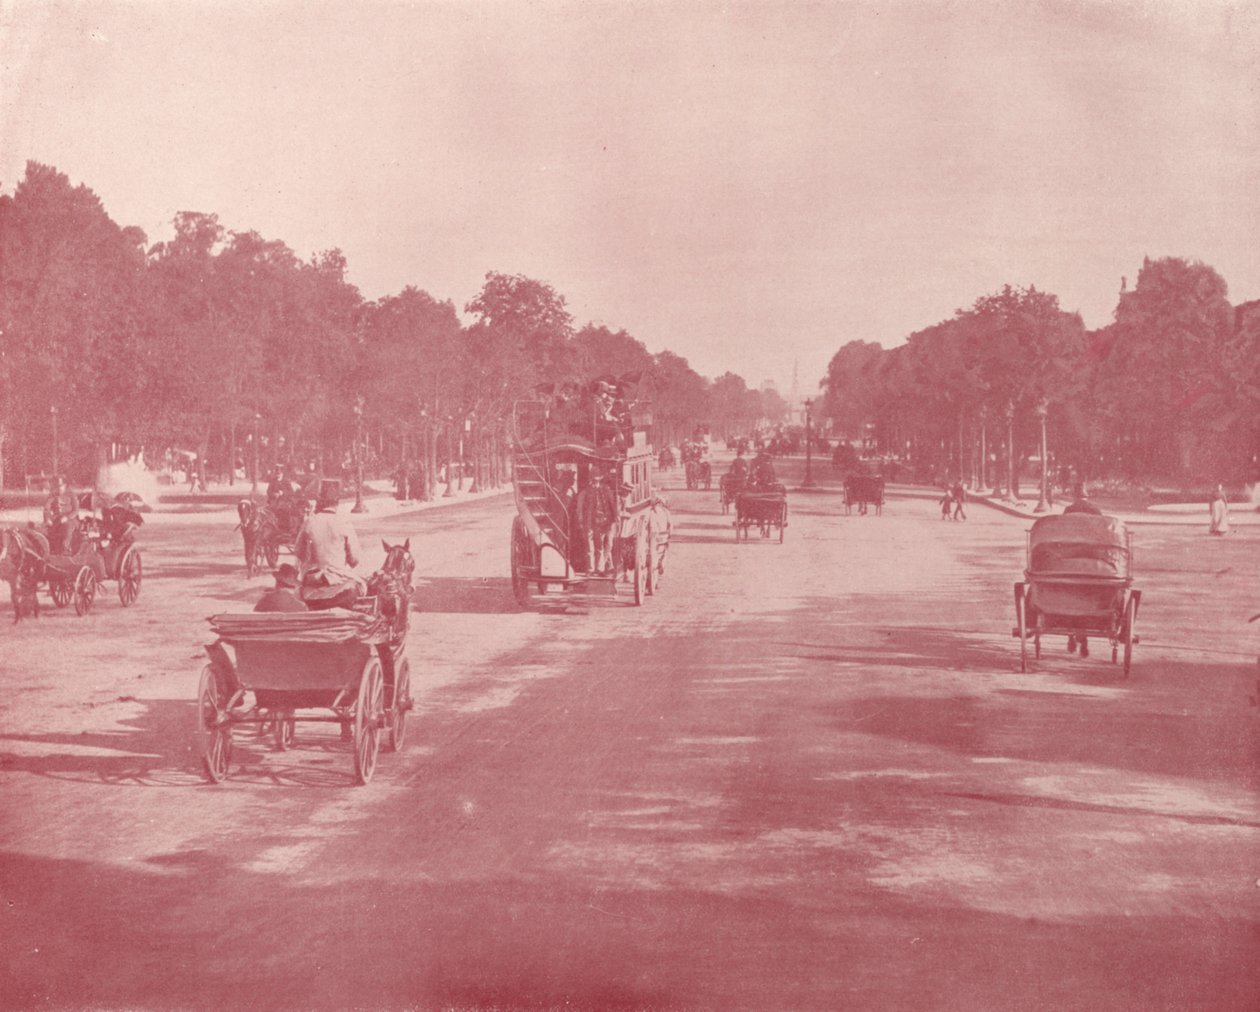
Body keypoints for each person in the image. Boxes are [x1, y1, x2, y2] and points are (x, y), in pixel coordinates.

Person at [295, 480, 366, 607]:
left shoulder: (309, 522)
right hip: (338, 583)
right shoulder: (344, 523)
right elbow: (354, 560)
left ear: (320, 501)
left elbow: (299, 553)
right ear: (337, 502)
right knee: (364, 586)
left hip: (312, 582)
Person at [574, 470, 618, 575]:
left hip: (602, 522)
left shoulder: (606, 490)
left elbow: (612, 504)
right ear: (591, 480)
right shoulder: (585, 492)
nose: (595, 482)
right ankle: (590, 569)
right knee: (589, 547)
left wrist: (614, 518)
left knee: (599, 546)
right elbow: (579, 508)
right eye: (594, 480)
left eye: (597, 480)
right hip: (588, 522)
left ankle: (599, 569)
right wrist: (580, 521)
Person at [43, 476, 79, 555]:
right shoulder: (52, 495)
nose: (59, 488)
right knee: (48, 529)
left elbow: (76, 510)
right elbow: (46, 509)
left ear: (65, 485)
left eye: (60, 486)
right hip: (57, 519)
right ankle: (52, 549)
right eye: (57, 486)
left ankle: (65, 548)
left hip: (70, 519)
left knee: (67, 526)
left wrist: (67, 517)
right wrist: (47, 518)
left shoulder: (71, 495)